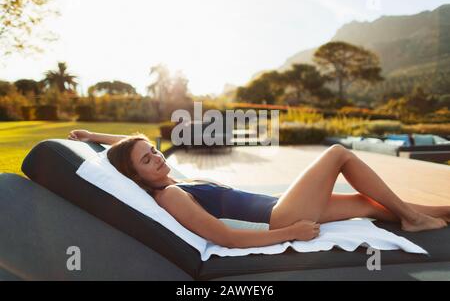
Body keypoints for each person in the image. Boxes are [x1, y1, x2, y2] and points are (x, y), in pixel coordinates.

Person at [68, 129, 449, 249]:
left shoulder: (173, 177)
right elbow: (224, 237)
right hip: (281, 216)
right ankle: (413, 219)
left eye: (154, 151)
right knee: (336, 154)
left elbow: (132, 143)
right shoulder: (168, 195)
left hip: (279, 205)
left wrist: (92, 136)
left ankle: (435, 213)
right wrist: (291, 233)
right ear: (136, 176)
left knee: (369, 204)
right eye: (148, 160)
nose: (157, 156)